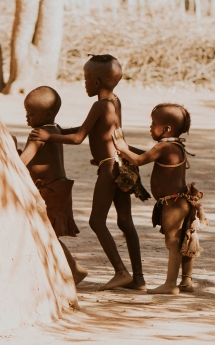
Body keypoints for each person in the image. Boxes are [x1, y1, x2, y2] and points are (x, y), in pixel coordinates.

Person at [29, 55, 145, 291]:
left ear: (96, 82)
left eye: (85, 79)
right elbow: (91, 130)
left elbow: (79, 137)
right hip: (122, 164)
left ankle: (121, 272)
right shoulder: (115, 101)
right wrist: (58, 130)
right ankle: (139, 278)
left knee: (96, 221)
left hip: (109, 167)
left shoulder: (99, 105)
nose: (83, 83)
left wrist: (49, 135)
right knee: (125, 222)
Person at [113, 104, 207, 294]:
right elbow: (147, 155)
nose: (150, 127)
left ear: (166, 129)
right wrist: (127, 149)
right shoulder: (175, 146)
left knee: (173, 243)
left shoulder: (164, 146)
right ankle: (186, 281)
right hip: (180, 201)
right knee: (184, 239)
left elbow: (139, 160)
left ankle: (170, 285)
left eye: (153, 123)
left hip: (173, 204)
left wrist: (123, 148)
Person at [19, 86, 88, 285]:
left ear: (47, 114)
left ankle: (74, 270)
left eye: (31, 114)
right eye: (26, 113)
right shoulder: (55, 129)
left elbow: (21, 163)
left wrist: (8, 152)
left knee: (45, 233)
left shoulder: (38, 134)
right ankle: (66, 270)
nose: (27, 118)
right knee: (47, 233)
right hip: (60, 188)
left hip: (49, 190)